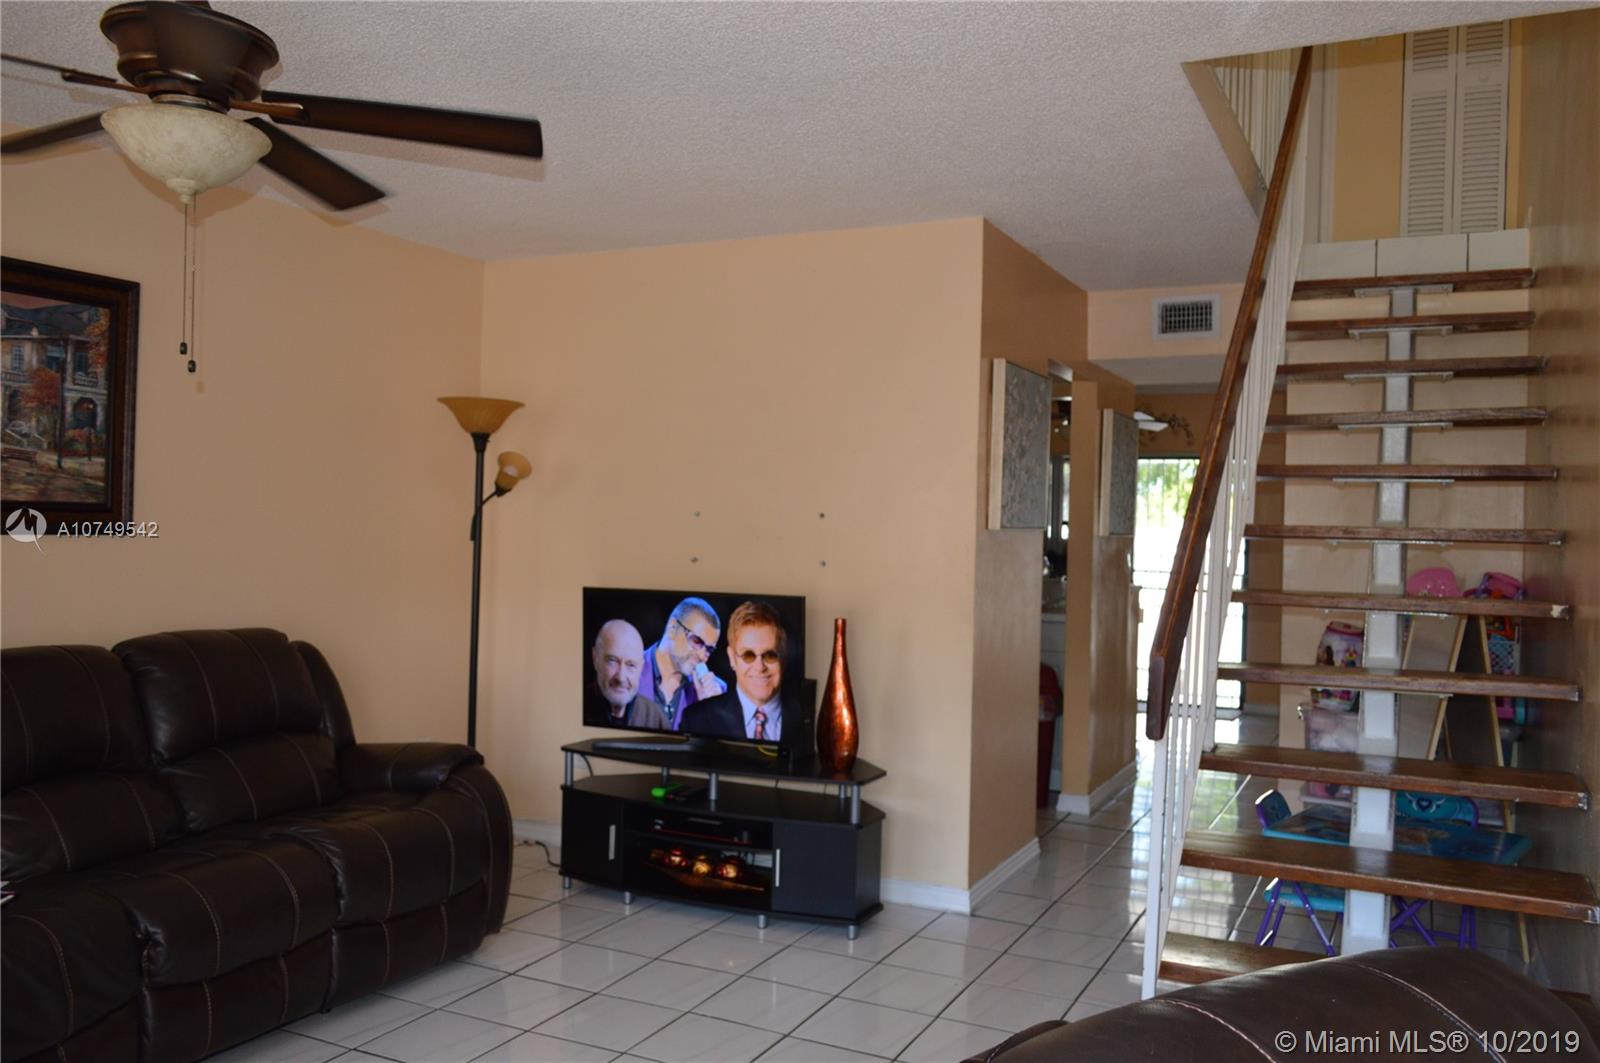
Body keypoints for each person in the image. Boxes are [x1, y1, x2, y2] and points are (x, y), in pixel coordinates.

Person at [680, 601, 785, 742]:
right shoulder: (696, 720)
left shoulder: (805, 717)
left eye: (770, 655)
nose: (759, 667)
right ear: (732, 658)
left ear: (783, 656)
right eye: (748, 655)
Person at [640, 597, 727, 729]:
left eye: (709, 649)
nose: (702, 656)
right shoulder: (626, 671)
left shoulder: (715, 692)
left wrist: (709, 711)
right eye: (697, 641)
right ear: (672, 628)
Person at [583, 619, 671, 730]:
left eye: (631, 665)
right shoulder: (575, 705)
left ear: (641, 669)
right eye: (612, 660)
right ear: (595, 658)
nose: (621, 678)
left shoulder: (656, 719)